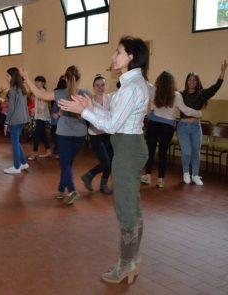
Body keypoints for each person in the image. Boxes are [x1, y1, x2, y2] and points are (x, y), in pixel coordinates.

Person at [59, 36, 150, 283]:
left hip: (128, 149)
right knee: (131, 206)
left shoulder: (132, 87)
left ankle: (125, 264)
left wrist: (84, 111)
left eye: (118, 52)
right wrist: (91, 106)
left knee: (125, 209)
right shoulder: (130, 84)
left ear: (131, 56)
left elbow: (111, 125)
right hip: (127, 146)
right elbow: (113, 115)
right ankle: (133, 258)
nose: (113, 56)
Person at [21, 66, 89, 205]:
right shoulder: (86, 93)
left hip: (64, 134)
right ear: (79, 78)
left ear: (65, 78)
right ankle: (60, 189)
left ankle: (72, 190)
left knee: (65, 164)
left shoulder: (60, 93)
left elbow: (39, 95)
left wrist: (27, 79)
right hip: (80, 135)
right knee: (67, 163)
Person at [140, 71, 202, 188]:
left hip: (153, 124)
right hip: (168, 127)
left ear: (159, 81)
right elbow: (186, 110)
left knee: (150, 151)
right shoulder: (177, 95)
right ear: (172, 83)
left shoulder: (154, 90)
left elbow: (145, 83)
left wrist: (141, 70)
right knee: (163, 153)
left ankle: (147, 176)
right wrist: (198, 113)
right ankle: (160, 180)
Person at [177, 60, 227, 185]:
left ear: (197, 82)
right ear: (186, 81)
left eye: (194, 80)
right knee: (186, 152)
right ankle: (186, 173)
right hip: (183, 127)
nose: (191, 82)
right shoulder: (181, 95)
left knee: (196, 152)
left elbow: (215, 87)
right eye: (189, 80)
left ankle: (195, 175)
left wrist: (223, 71)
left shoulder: (201, 94)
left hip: (195, 127)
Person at [80, 75, 113, 194]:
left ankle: (103, 184)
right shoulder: (90, 101)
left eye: (103, 85)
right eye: (97, 85)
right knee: (106, 162)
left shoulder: (110, 98)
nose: (100, 87)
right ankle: (89, 175)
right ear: (93, 87)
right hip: (95, 134)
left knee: (111, 161)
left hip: (108, 133)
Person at [3, 67, 30, 174]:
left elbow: (11, 108)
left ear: (13, 77)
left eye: (7, 76)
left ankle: (16, 167)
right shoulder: (21, 88)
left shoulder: (13, 90)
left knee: (14, 144)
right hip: (23, 119)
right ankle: (23, 163)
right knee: (16, 142)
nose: (6, 77)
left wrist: (6, 122)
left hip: (15, 120)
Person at [28, 76, 52, 160]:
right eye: (35, 82)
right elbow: (37, 104)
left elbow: (43, 105)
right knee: (42, 135)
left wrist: (36, 111)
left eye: (38, 82)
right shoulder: (37, 92)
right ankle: (48, 151)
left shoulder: (43, 92)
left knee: (36, 135)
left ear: (43, 83)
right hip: (39, 116)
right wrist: (34, 109)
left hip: (42, 116)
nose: (36, 83)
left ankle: (34, 153)